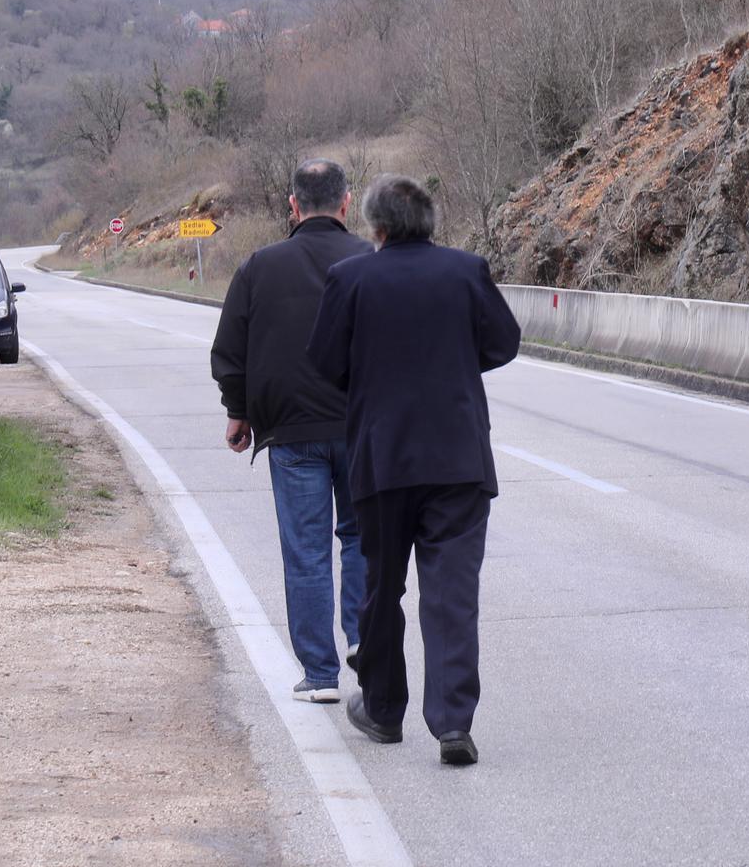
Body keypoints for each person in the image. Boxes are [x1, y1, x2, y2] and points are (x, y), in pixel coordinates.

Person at [306, 174, 521, 766]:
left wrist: (372, 377)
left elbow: (324, 361)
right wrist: (454, 361)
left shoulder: (350, 278)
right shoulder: (466, 270)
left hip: (383, 457)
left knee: (381, 588)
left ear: (374, 225)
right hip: (457, 459)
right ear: (430, 223)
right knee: (452, 594)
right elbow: (504, 343)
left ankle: (382, 708)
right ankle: (453, 723)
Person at [211, 159, 371, 704]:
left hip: (290, 432)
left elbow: (230, 349)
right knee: (361, 540)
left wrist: (238, 410)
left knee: (305, 552)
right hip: (362, 430)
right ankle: (364, 643)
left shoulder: (259, 266)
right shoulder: (370, 261)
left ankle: (321, 675)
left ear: (293, 206)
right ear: (347, 204)